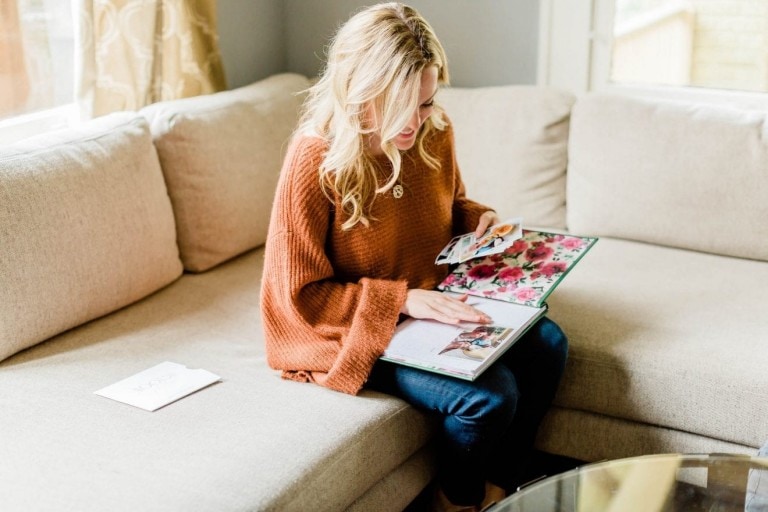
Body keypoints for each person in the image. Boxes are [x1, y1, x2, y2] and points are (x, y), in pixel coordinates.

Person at [260, 3, 568, 510]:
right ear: (358, 89)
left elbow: (450, 208)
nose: (414, 121)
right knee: (491, 396)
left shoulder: (434, 132)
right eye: (399, 104)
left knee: (550, 344)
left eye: (425, 102)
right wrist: (403, 301)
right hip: (354, 327)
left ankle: (503, 487)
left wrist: (479, 224)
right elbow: (297, 298)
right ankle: (455, 501)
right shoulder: (314, 158)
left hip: (430, 305)